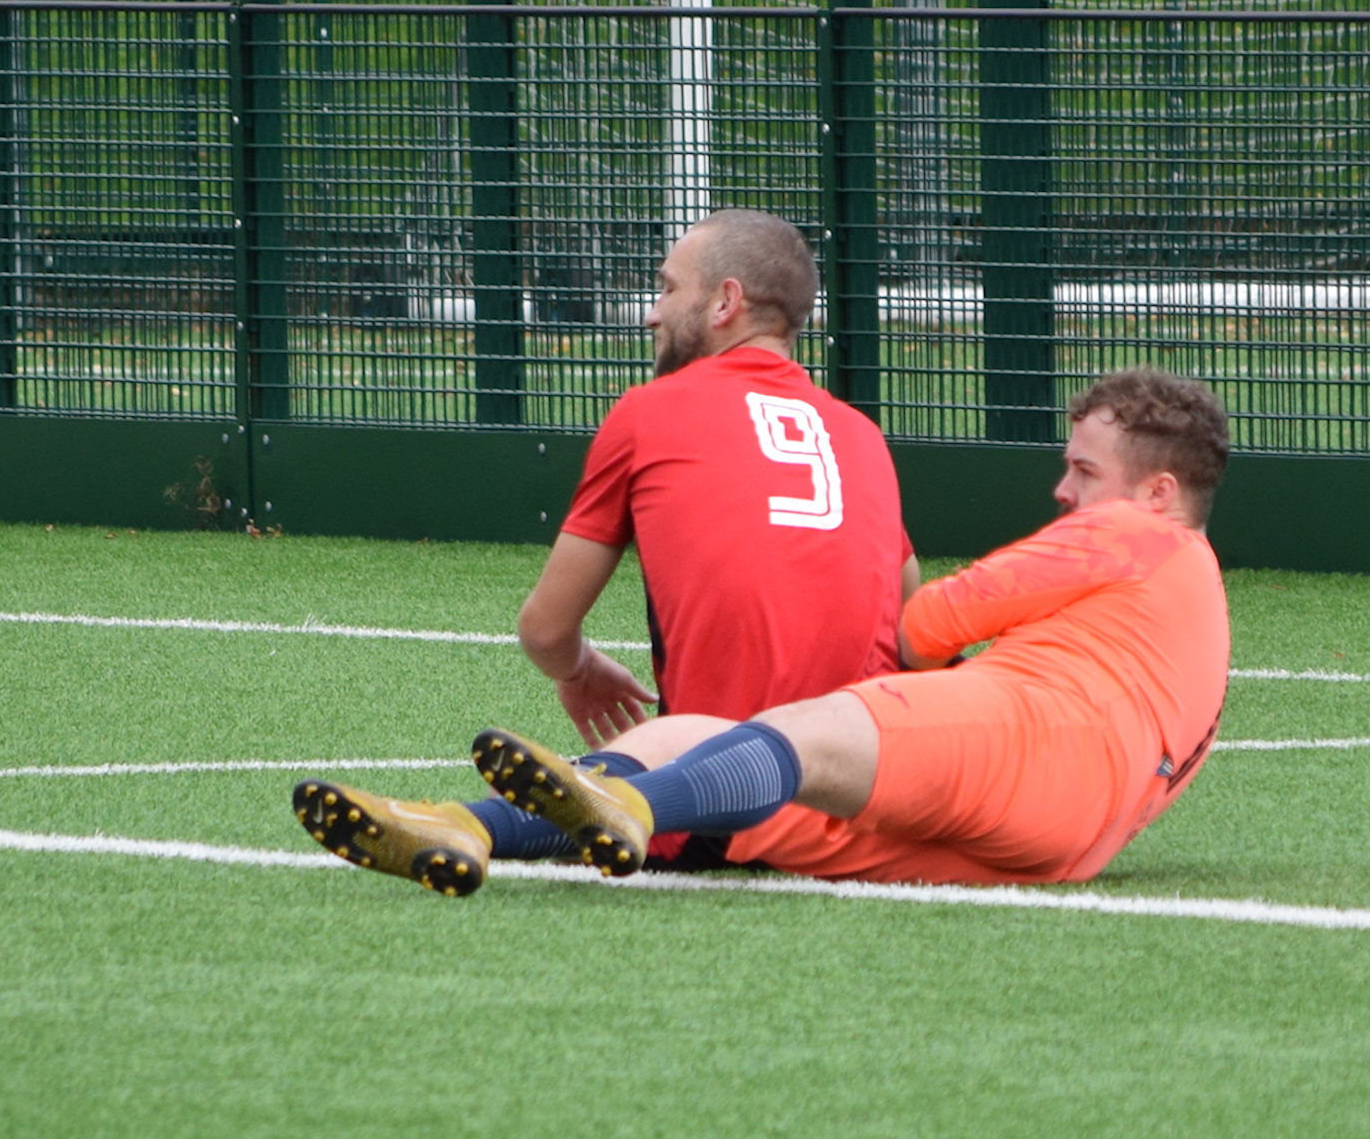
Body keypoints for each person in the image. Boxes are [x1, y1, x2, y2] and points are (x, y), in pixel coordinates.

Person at [295, 366, 1230, 894]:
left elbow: (930, 621)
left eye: (1082, 469)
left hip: (1035, 742)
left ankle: (637, 807)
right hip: (1062, 845)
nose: (1063, 491)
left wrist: (927, 666)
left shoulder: (1140, 533)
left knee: (806, 728)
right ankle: (464, 828)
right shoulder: (1196, 625)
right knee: (701, 746)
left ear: (1156, 491)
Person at [500, 208, 915, 869]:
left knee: (549, 818)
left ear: (726, 301)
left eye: (667, 288)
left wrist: (578, 670)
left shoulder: (648, 412)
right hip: (865, 804)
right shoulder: (860, 435)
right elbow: (916, 630)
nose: (651, 314)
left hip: (720, 812)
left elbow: (546, 629)